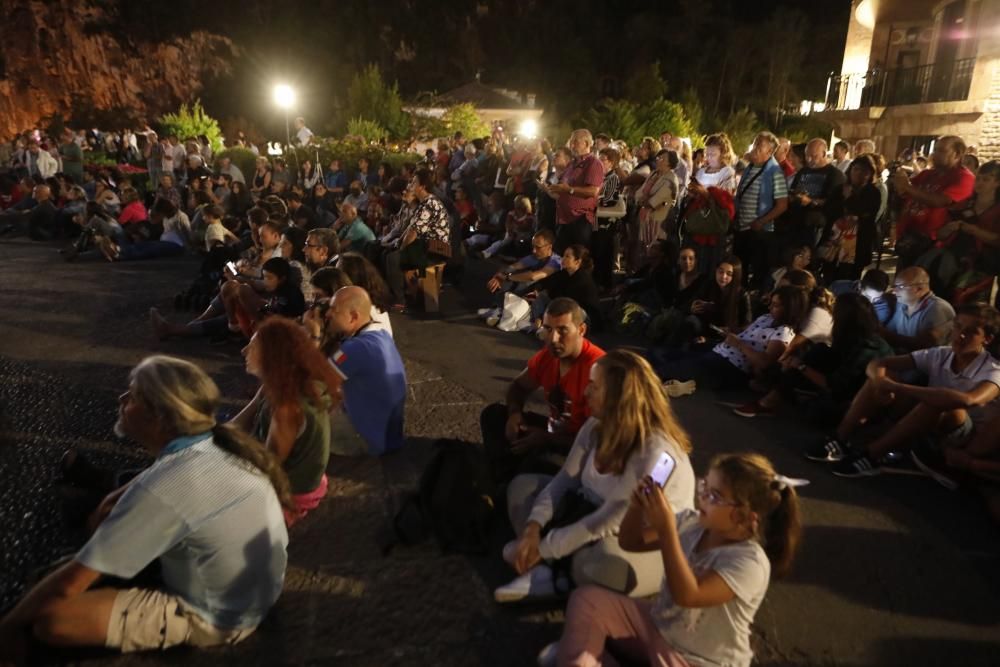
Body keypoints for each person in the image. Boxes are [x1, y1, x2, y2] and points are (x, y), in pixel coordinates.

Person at [0, 356, 289, 657]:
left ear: (160, 417)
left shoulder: (166, 486)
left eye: (134, 396)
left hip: (219, 617)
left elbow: (70, 582)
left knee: (52, 621)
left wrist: (8, 627)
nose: (122, 398)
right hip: (252, 591)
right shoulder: (215, 446)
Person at [548, 453, 802, 667]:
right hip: (660, 628)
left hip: (697, 660)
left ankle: (579, 653)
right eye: (704, 487)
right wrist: (637, 507)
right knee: (587, 600)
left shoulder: (750, 563)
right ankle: (579, 655)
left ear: (746, 517)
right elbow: (631, 542)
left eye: (714, 496)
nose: (702, 497)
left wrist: (668, 532)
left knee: (579, 642)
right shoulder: (691, 522)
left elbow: (689, 596)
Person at [497, 350, 696, 603]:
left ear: (619, 397)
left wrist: (545, 548)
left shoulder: (661, 457)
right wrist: (533, 529)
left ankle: (549, 568)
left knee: (597, 562)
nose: (585, 392)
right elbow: (563, 481)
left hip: (639, 540)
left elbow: (611, 520)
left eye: (594, 386)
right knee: (522, 487)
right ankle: (550, 572)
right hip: (587, 511)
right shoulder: (594, 425)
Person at [807, 303, 1000, 478]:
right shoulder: (941, 354)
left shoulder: (993, 370)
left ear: (987, 339)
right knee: (883, 377)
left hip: (964, 435)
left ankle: (873, 455)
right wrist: (882, 381)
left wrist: (900, 388)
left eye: (971, 331)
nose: (961, 335)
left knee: (937, 403)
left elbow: (968, 400)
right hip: (930, 417)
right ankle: (841, 439)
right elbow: (878, 363)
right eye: (958, 326)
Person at [480, 298, 606, 481]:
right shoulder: (548, 357)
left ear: (581, 330)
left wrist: (547, 439)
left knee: (537, 464)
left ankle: (508, 477)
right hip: (551, 433)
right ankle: (506, 475)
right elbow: (518, 386)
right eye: (548, 329)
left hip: (578, 448)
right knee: (494, 415)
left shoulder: (598, 369)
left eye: (562, 330)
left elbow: (599, 443)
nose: (553, 339)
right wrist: (515, 414)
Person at [230, 319, 342, 525]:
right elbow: (242, 420)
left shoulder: (287, 408)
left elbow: (268, 466)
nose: (244, 351)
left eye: (253, 347)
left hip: (293, 491)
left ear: (274, 357)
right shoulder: (280, 383)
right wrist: (214, 436)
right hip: (299, 474)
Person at [735, 292, 893, 420]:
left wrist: (801, 366)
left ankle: (785, 397)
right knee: (819, 349)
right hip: (841, 382)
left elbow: (836, 385)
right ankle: (771, 400)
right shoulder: (851, 337)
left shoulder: (867, 348)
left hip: (858, 395)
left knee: (815, 413)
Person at [652, 285, 810, 391]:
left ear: (790, 309)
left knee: (662, 369)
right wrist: (724, 336)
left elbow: (765, 362)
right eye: (772, 303)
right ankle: (682, 380)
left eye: (776, 305)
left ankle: (676, 380)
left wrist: (739, 344)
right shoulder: (766, 318)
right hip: (719, 351)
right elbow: (744, 333)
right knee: (659, 353)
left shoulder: (784, 332)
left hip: (731, 365)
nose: (770, 308)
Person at [324, 286, 407, 456]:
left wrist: (316, 333)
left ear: (353, 317)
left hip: (367, 440)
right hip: (389, 435)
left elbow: (317, 379)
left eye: (334, 310)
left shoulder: (356, 348)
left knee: (297, 420)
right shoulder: (380, 334)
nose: (327, 315)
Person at [894, 135, 975, 267]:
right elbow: (905, 192)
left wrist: (906, 186)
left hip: (932, 243)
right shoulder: (928, 174)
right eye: (935, 149)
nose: (934, 154)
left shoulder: (964, 178)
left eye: (941, 151)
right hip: (910, 238)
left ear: (957, 154)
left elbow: (939, 201)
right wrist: (900, 182)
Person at [385, 168, 451, 303]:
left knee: (393, 258)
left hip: (436, 249)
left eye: (413, 183)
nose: (409, 186)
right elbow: (410, 229)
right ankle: (399, 291)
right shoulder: (424, 203)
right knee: (389, 252)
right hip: (426, 246)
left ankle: (399, 300)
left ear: (422, 186)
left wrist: (401, 250)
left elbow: (412, 233)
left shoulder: (429, 203)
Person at [733, 132, 789, 288]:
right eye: (755, 143)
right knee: (740, 272)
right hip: (742, 229)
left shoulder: (774, 172)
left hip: (760, 232)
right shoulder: (750, 168)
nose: (755, 147)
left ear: (769, 152)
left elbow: (782, 204)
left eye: (759, 145)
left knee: (758, 275)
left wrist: (761, 221)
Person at [818, 154, 882, 282]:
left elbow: (865, 213)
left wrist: (849, 199)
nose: (859, 173)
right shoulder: (840, 189)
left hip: (857, 243)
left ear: (870, 174)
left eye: (864, 171)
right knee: (829, 274)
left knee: (850, 277)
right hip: (835, 239)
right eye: (856, 169)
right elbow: (829, 210)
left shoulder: (873, 192)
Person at [479, 229, 562, 323]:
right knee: (509, 279)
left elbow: (534, 276)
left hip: (546, 296)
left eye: (538, 247)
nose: (534, 250)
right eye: (533, 246)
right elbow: (511, 267)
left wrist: (507, 277)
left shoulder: (556, 261)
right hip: (533, 291)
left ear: (549, 247)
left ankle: (502, 311)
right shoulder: (534, 257)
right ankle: (498, 308)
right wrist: (498, 276)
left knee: (524, 281)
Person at [543, 129, 605, 251]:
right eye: (571, 142)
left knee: (577, 257)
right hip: (563, 218)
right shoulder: (572, 164)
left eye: (575, 142)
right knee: (561, 257)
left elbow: (593, 191)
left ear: (586, 144)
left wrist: (569, 190)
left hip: (579, 219)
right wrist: (552, 188)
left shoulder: (593, 163)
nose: (571, 145)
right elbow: (563, 186)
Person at [781, 138, 845, 250]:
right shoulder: (803, 171)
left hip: (815, 224)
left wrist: (811, 201)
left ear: (824, 153)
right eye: (807, 156)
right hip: (796, 221)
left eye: (813, 156)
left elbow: (833, 202)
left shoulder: (835, 175)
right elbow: (794, 189)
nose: (809, 159)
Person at [880, 266, 955, 353]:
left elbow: (925, 347)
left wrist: (885, 334)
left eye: (900, 287)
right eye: (894, 286)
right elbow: (889, 330)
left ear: (919, 289)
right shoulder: (902, 305)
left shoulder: (937, 309)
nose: (894, 291)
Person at [529, 245, 602, 331]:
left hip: (583, 317)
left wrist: (541, 317)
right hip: (566, 309)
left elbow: (565, 302)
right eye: (563, 255)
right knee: (542, 296)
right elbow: (546, 283)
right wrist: (535, 289)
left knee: (559, 305)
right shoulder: (565, 273)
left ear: (577, 262)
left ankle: (546, 326)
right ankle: (544, 325)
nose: (563, 259)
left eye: (567, 256)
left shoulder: (582, 279)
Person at [633, 150, 680, 268]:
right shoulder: (654, 174)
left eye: (662, 159)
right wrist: (643, 200)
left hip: (659, 221)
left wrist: (646, 201)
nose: (658, 160)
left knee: (655, 251)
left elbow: (658, 200)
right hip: (645, 218)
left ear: (670, 163)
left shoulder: (671, 179)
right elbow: (639, 193)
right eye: (658, 158)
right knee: (642, 250)